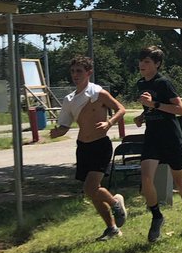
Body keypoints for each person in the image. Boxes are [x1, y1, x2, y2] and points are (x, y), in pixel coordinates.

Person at [50, 55, 128, 241]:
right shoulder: (69, 99)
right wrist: (56, 132)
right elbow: (64, 126)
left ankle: (115, 202)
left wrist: (109, 123)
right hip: (83, 147)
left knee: (90, 187)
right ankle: (112, 228)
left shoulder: (97, 93)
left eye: (79, 71)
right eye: (73, 71)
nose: (75, 75)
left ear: (88, 73)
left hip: (100, 145)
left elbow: (121, 109)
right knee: (92, 192)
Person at [134, 46, 182, 242]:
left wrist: (154, 105)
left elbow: (180, 110)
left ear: (157, 64)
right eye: (141, 61)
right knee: (146, 180)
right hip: (152, 137)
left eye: (147, 62)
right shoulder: (140, 84)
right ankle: (157, 216)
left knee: (180, 180)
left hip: (171, 137)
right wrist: (143, 115)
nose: (142, 65)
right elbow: (153, 110)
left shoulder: (164, 83)